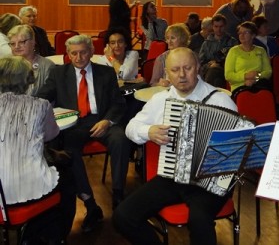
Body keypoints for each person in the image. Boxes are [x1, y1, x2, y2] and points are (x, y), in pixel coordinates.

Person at [113, 47, 238, 245]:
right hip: (172, 175)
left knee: (199, 220)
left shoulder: (220, 99)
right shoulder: (160, 100)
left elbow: (238, 145)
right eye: (175, 69)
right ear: (167, 73)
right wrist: (149, 131)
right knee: (123, 216)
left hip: (210, 180)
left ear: (198, 67)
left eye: (187, 68)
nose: (181, 75)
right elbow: (131, 127)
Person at [37, 35, 130, 232]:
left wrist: (107, 121)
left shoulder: (106, 72)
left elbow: (118, 102)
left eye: (83, 52)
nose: (78, 57)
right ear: (68, 54)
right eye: (74, 53)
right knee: (69, 151)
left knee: (121, 140)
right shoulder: (58, 73)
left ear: (91, 52)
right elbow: (42, 97)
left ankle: (118, 194)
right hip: (74, 124)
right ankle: (90, 204)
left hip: (102, 120)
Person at [0, 56, 76, 243]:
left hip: (0, 194)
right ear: (28, 80)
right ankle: (54, 235)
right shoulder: (41, 105)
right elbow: (51, 135)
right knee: (68, 178)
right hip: (27, 189)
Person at [224, 21, 272, 92]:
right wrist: (246, 76)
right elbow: (228, 75)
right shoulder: (233, 51)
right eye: (240, 33)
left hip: (258, 84)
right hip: (240, 87)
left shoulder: (261, 50)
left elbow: (268, 72)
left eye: (245, 32)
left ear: (253, 35)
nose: (241, 35)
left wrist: (256, 77)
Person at [8, 24, 55, 96]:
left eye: (21, 42)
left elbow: (49, 96)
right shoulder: (5, 66)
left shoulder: (47, 66)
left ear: (33, 42)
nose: (16, 47)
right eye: (12, 44)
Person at [199, 14, 238, 88]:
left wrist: (218, 64)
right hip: (209, 72)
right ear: (212, 26)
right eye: (216, 26)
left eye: (221, 26)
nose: (218, 29)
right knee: (213, 71)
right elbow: (201, 62)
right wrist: (210, 65)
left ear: (225, 26)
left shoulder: (232, 42)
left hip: (226, 71)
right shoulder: (206, 43)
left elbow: (236, 61)